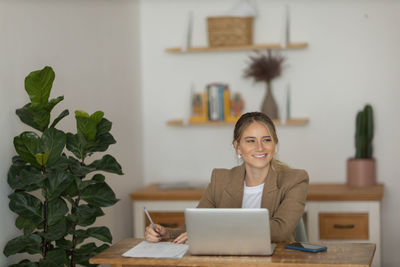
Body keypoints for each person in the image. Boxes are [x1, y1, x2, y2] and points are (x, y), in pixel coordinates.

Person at [145, 112, 309, 244]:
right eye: (250, 141)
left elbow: (280, 231)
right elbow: (195, 227)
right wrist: (166, 233)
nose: (260, 147)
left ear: (275, 144)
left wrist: (212, 232)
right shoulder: (220, 179)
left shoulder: (294, 180)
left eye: (266, 140)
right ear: (238, 147)